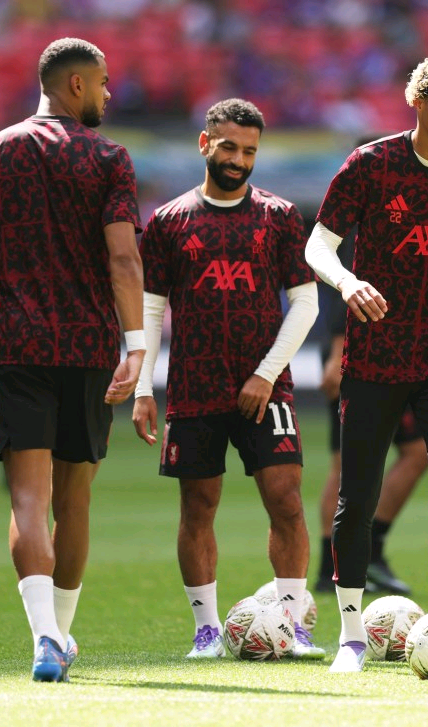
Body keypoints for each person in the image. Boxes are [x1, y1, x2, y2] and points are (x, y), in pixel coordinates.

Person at [0, 37, 146, 682]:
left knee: (28, 500)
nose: (109, 93)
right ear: (76, 85)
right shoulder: (109, 158)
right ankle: (62, 630)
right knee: (74, 501)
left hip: (19, 343)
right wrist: (138, 345)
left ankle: (45, 640)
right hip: (89, 345)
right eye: (104, 82)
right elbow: (123, 259)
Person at [304, 53, 428, 674]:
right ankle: (351, 637)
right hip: (376, 354)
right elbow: (318, 246)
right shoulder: (371, 164)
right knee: (357, 497)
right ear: (418, 102)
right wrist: (347, 283)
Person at [130, 98, 323, 660]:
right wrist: (142, 387)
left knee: (286, 501)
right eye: (230, 147)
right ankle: (207, 632)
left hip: (266, 387)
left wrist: (265, 373)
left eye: (249, 151)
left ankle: (294, 625)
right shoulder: (167, 222)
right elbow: (150, 310)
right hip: (194, 385)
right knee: (198, 506)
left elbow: (306, 303)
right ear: (205, 144)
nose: (239, 159)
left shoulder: (280, 216)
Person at [314, 224, 427, 596]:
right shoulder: (367, 208)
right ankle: (331, 567)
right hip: (357, 347)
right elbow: (344, 278)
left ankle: (371, 551)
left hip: (403, 349)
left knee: (418, 451)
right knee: (345, 462)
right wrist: (337, 350)